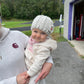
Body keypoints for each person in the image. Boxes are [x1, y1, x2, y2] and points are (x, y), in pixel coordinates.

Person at [24, 15, 57, 84]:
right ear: (32, 30)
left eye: (43, 33)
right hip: (28, 67)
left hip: (34, 72)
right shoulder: (31, 40)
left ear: (47, 35)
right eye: (35, 31)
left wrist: (29, 73)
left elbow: (38, 63)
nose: (38, 35)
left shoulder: (44, 48)